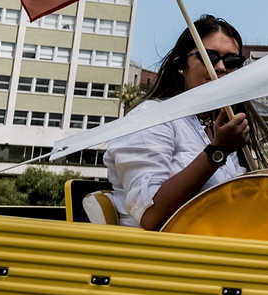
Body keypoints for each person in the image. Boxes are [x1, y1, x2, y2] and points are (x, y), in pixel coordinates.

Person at [106, 15, 253, 230]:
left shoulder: (216, 125)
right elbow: (150, 214)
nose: (221, 67)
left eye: (232, 61)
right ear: (180, 64)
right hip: (165, 255)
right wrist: (217, 152)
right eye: (209, 57)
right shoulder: (151, 118)